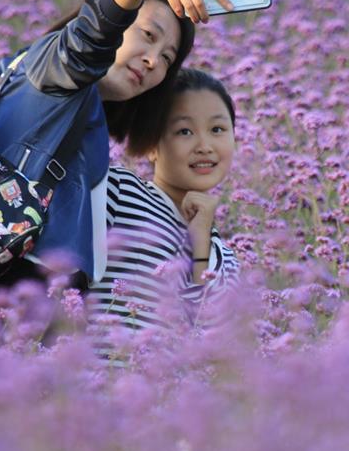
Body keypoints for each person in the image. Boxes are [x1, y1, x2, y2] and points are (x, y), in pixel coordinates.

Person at [0, 0, 233, 295]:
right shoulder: (46, 75)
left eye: (166, 58)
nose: (151, 60)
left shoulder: (83, 120)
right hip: (11, 291)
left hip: (36, 301)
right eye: (148, 35)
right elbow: (87, 41)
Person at [91, 68, 241, 336]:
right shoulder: (119, 191)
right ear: (150, 144)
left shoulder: (224, 257)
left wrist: (200, 243)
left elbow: (214, 344)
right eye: (184, 131)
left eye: (217, 129)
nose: (205, 145)